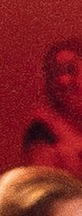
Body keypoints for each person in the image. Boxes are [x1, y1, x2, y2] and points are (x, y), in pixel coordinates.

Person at [20, 38, 82, 175]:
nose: (63, 80)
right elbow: (48, 188)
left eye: (71, 69)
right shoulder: (43, 132)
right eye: (54, 73)